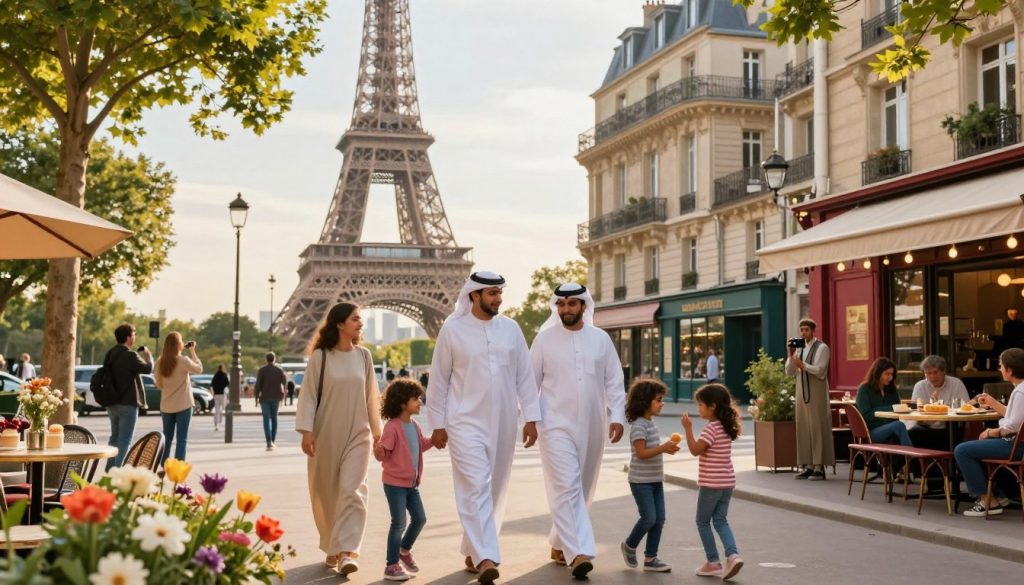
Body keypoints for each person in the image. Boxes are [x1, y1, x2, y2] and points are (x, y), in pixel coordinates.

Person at [426, 271, 540, 584]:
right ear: (474, 295)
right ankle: (487, 556)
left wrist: (532, 417)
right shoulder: (453, 330)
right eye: (491, 293)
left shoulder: (511, 329)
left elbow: (525, 377)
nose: (497, 299)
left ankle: (472, 548)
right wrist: (437, 424)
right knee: (475, 484)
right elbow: (439, 380)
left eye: (499, 293)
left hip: (504, 420)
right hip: (463, 421)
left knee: (494, 488)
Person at [530, 283, 625, 579]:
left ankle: (560, 541)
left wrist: (618, 415)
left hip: (593, 424)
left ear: (584, 306)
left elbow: (614, 381)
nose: (566, 309)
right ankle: (580, 552)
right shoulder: (544, 340)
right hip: (554, 424)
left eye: (572, 303)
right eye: (561, 304)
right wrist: (529, 420)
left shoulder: (600, 339)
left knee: (582, 488)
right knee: (567, 485)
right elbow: (529, 383)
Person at [295, 302, 382, 576]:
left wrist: (378, 433)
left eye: (361, 319)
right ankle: (332, 543)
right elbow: (308, 395)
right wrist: (307, 431)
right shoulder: (321, 357)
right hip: (326, 432)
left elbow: (371, 397)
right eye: (355, 318)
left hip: (359, 433)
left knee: (353, 491)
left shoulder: (365, 357)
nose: (360, 323)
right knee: (326, 492)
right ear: (339, 324)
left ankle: (346, 551)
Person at [680, 384, 743, 581]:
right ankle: (733, 556)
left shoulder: (711, 429)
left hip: (711, 484)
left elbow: (695, 450)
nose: (698, 409)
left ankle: (713, 562)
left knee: (702, 521)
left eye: (700, 405)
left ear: (712, 406)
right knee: (720, 520)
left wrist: (688, 429)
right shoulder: (725, 427)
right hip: (727, 483)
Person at [373, 379, 433, 582]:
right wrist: (378, 449)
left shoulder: (414, 426)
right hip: (394, 484)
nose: (419, 402)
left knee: (420, 518)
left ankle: (404, 550)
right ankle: (391, 565)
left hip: (411, 484)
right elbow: (384, 453)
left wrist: (435, 439)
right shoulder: (393, 427)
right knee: (398, 523)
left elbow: (421, 445)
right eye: (415, 398)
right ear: (401, 403)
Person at [954, 348, 1024, 517]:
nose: (999, 369)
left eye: (1001, 366)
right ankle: (999, 495)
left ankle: (988, 501)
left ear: (1009, 370)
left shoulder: (1020, 391)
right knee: (978, 446)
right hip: (1018, 443)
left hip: (1016, 445)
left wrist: (991, 432)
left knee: (962, 450)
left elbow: (1013, 425)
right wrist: (993, 403)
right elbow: (1017, 416)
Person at [621, 378, 676, 573]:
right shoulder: (639, 425)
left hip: (655, 480)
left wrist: (666, 449)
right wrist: (663, 448)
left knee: (659, 519)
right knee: (649, 518)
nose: (662, 404)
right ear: (646, 402)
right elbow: (641, 453)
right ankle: (629, 545)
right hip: (640, 481)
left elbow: (651, 450)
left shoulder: (651, 423)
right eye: (659, 400)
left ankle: (651, 558)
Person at [785, 318, 834, 481]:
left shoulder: (822, 348)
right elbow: (789, 372)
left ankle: (819, 467)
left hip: (816, 393)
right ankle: (808, 465)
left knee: (817, 426)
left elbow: (820, 370)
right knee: (804, 426)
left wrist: (803, 365)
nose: (803, 333)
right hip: (801, 392)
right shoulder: (798, 349)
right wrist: (790, 355)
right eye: (802, 330)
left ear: (813, 331)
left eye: (806, 330)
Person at [104, 324, 153, 470]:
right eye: (134, 334)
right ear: (128, 337)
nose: (134, 337)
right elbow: (147, 369)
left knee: (114, 438)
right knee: (124, 440)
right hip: (128, 403)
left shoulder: (110, 354)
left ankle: (109, 470)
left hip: (112, 402)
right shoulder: (130, 355)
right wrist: (149, 357)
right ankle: (117, 472)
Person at [154, 333, 202, 467]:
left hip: (166, 406)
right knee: (182, 439)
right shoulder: (183, 360)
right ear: (178, 345)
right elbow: (199, 369)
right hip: (184, 405)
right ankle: (178, 468)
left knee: (167, 438)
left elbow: (158, 384)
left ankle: (163, 466)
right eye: (181, 341)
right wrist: (193, 352)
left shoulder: (159, 362)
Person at [908, 355, 969, 450]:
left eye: (935, 372)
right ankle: (916, 464)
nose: (932, 377)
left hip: (950, 429)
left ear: (943, 371)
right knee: (908, 434)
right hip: (927, 428)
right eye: (928, 373)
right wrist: (930, 407)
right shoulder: (920, 386)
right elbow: (915, 412)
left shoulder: (956, 384)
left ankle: (949, 464)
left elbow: (966, 408)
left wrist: (940, 406)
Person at [854, 357, 912, 446]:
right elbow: (866, 415)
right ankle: (912, 458)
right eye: (887, 374)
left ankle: (907, 458)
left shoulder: (892, 390)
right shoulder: (864, 389)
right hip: (871, 431)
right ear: (877, 373)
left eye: (892, 374)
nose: (890, 377)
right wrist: (891, 408)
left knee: (912, 430)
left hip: (890, 427)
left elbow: (897, 412)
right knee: (899, 425)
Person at [254, 352, 287, 451]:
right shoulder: (279, 370)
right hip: (276, 397)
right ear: (274, 359)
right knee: (274, 419)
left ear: (266, 359)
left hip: (264, 398)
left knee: (266, 419)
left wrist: (256, 398)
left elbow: (258, 385)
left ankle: (268, 442)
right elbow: (284, 383)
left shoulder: (262, 370)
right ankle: (273, 440)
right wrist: (283, 396)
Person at [210, 364, 229, 431]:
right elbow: (227, 384)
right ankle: (220, 421)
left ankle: (216, 424)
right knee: (222, 409)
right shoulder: (224, 375)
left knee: (217, 409)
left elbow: (211, 385)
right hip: (223, 394)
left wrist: (213, 393)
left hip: (216, 395)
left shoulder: (215, 375)